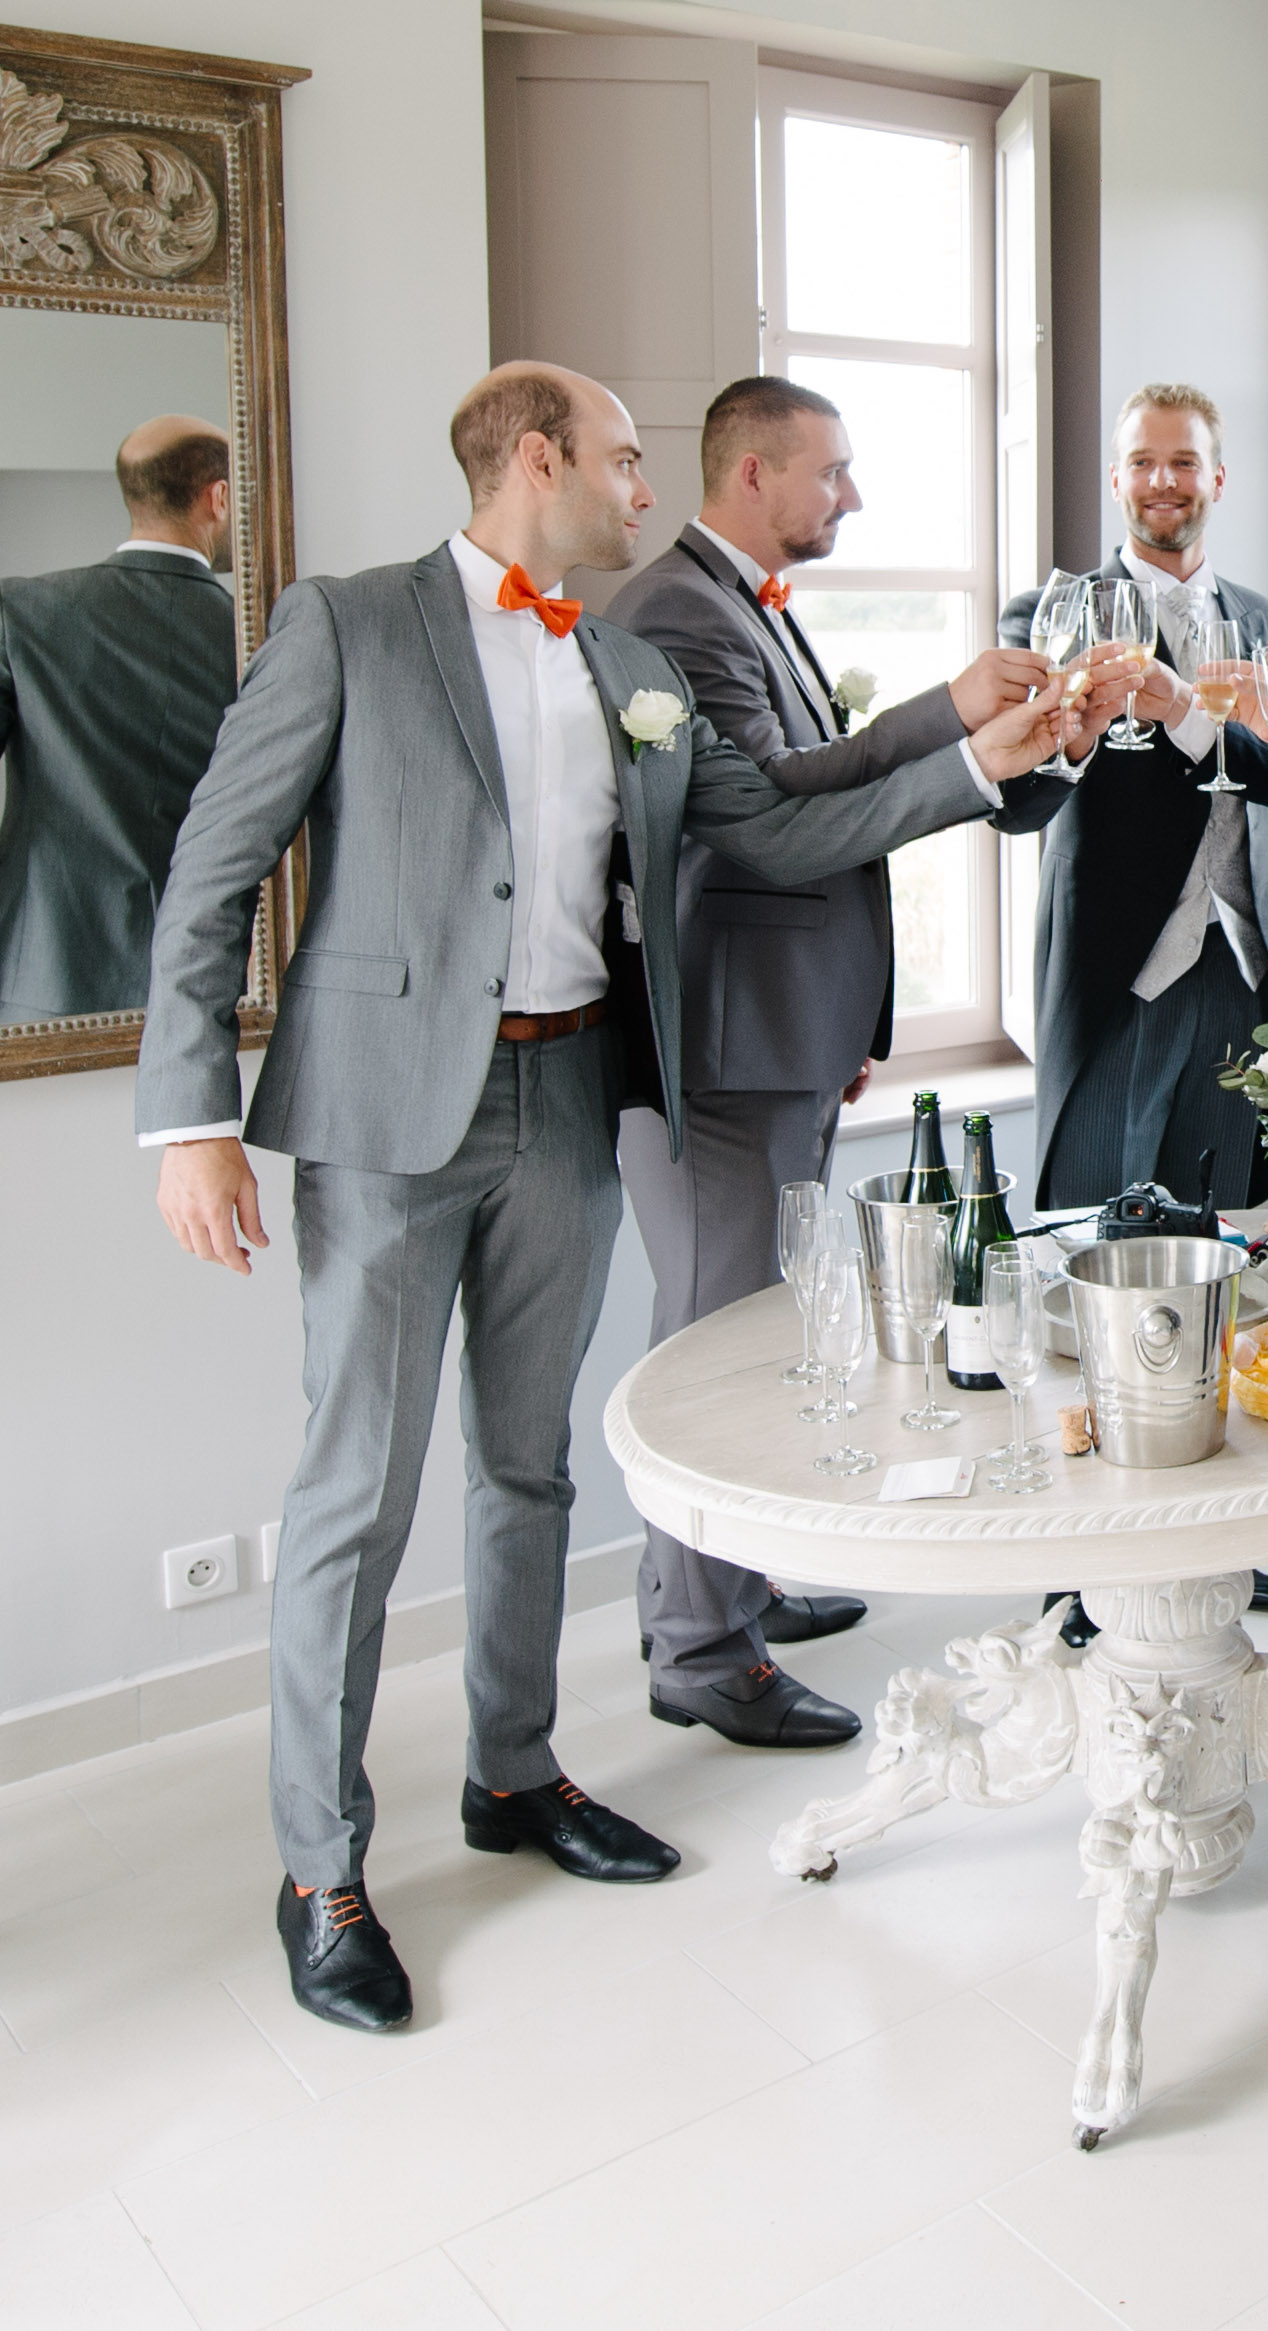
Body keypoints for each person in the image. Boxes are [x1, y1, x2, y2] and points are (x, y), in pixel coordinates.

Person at [136, 362, 1069, 2037]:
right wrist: (187, 1120)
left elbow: (774, 828)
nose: (648, 493)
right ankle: (320, 1865)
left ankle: (514, 1771)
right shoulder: (344, 624)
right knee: (355, 1492)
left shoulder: (627, 663)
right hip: (387, 1118)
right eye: (631, 463)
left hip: (571, 1091)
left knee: (529, 1463)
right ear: (542, 458)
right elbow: (214, 870)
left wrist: (980, 761)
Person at [606, 377, 1055, 1750]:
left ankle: (727, 1582)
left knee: (752, 1327)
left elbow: (797, 771)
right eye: (832, 471)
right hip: (722, 1046)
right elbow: (758, 834)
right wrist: (972, 753)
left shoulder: (734, 602)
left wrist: (948, 706)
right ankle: (698, 1646)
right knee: (712, 1343)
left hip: (778, 1033)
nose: (849, 495)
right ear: (751, 471)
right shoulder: (677, 612)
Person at [996, 380, 1268, 1644]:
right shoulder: (1051, 612)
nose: (1162, 481)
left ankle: (1216, 1538)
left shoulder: (1257, 620)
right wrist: (1100, 719)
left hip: (1236, 975)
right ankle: (1087, 1545)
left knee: (1215, 1269)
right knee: (1091, 1266)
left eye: (1185, 463)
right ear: (1117, 480)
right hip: (1114, 986)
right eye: (1141, 463)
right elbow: (1022, 802)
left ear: (1219, 480)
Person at [0, 415, 238, 1020]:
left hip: (45, 968)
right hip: (218, 973)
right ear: (220, 497)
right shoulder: (258, 636)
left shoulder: (24, 614)